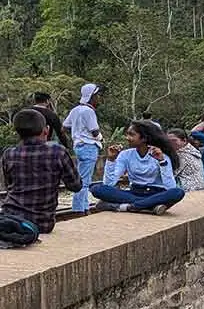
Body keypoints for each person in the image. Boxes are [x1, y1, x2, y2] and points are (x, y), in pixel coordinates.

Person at [1, 109, 81, 233]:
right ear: (46, 130)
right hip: (42, 223)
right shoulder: (58, 152)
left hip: (10, 218)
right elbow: (75, 186)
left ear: (18, 133)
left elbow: (9, 187)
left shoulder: (8, 154)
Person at [90, 121, 185, 215]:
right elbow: (109, 184)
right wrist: (111, 160)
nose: (127, 138)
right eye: (127, 134)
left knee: (177, 192)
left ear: (144, 138)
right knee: (97, 189)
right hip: (134, 193)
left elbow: (170, 187)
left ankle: (126, 207)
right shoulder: (125, 155)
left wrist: (162, 161)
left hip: (156, 194)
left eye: (131, 135)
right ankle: (148, 206)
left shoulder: (160, 155)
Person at [63, 83, 103, 214]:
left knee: (81, 177)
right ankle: (79, 209)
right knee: (85, 180)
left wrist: (76, 134)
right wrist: (101, 139)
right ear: (92, 96)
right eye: (97, 95)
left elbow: (65, 126)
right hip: (89, 146)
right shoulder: (89, 111)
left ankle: (84, 207)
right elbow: (95, 131)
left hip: (78, 146)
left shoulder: (75, 110)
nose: (98, 98)